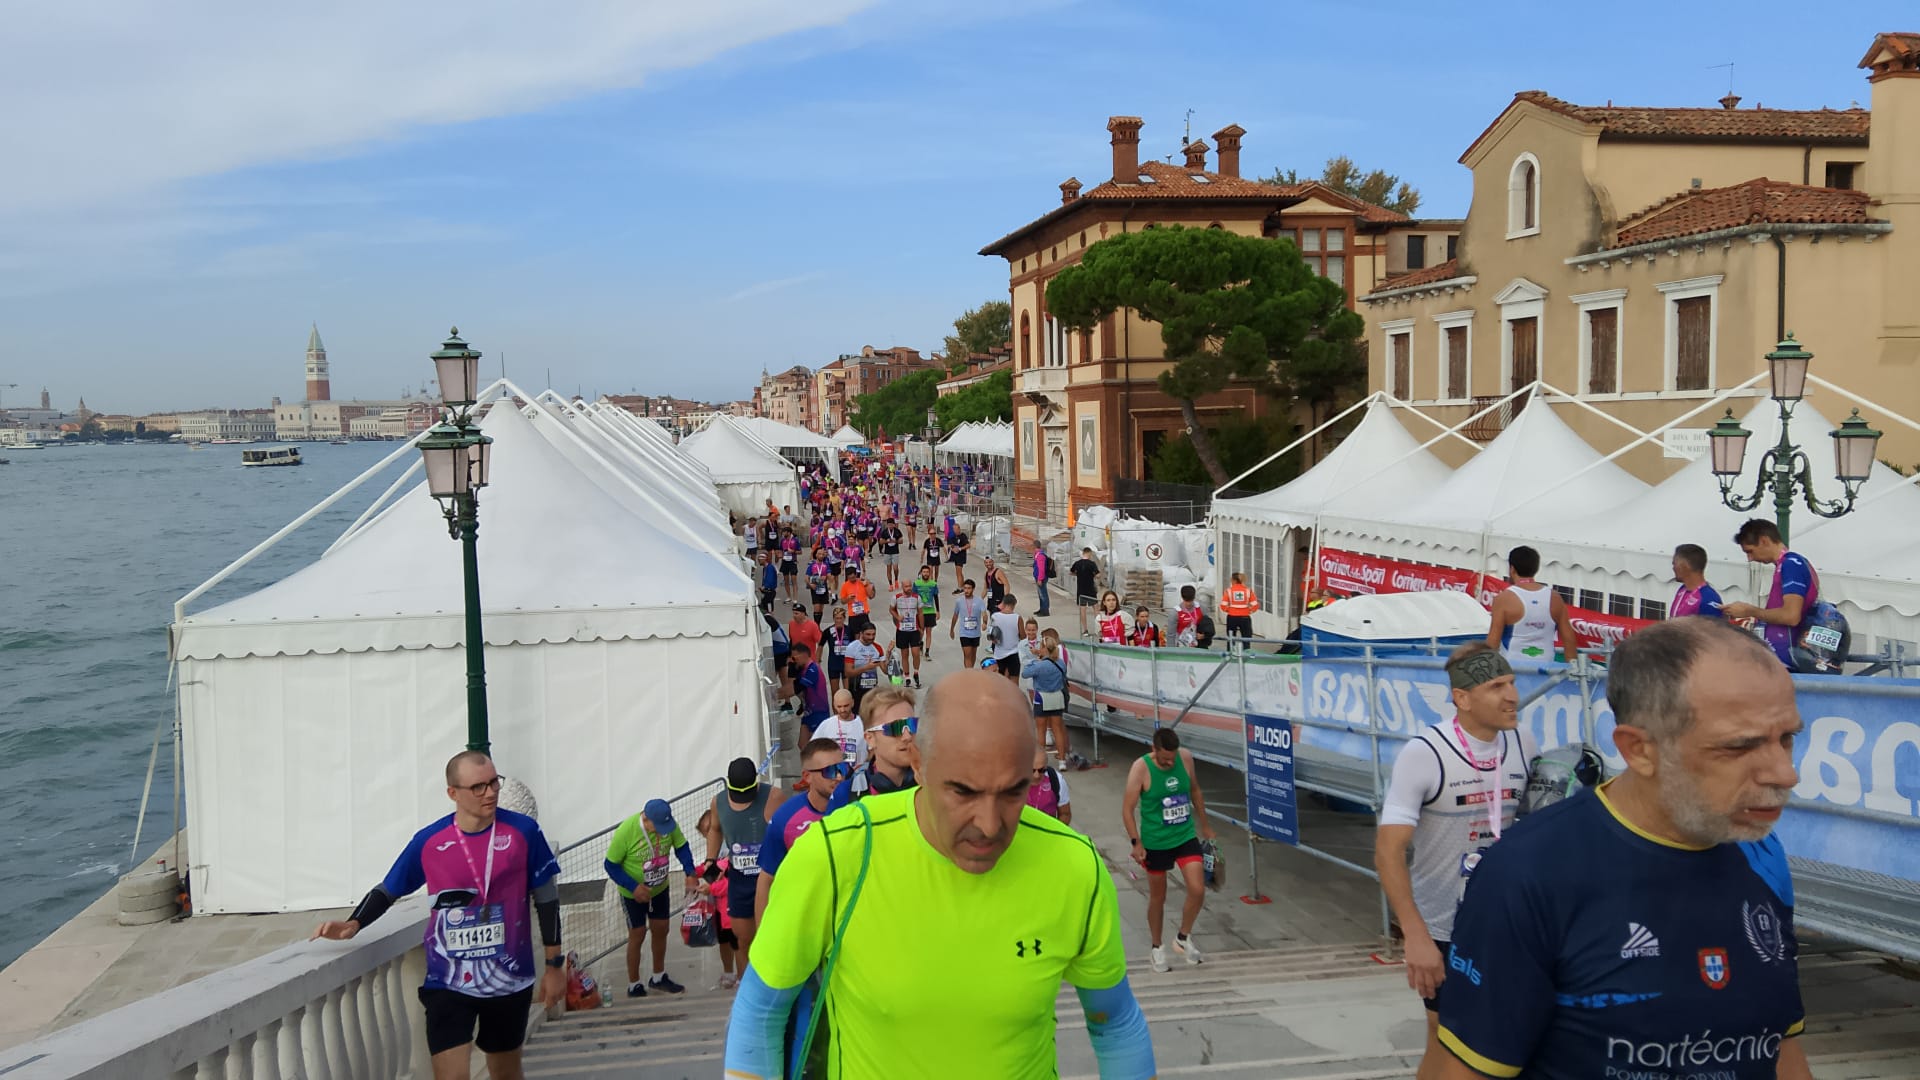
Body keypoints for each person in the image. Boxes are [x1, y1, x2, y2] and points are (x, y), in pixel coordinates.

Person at [724, 671, 1155, 1079]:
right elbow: (761, 1009)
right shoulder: (836, 855)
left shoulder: (1074, 866)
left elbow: (1115, 1021)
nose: (989, 824)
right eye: (962, 791)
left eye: (1013, 792)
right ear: (919, 765)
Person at [1433, 617, 1810, 1080]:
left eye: (1787, 738)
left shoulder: (1763, 854)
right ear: (1639, 750)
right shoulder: (1529, 872)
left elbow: (1783, 1053)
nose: (1784, 774)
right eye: (1739, 747)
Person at [312, 752, 564, 1080]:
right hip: (449, 979)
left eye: (493, 782)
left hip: (508, 977)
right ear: (452, 793)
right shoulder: (430, 841)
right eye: (477, 787)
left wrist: (555, 967)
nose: (490, 792)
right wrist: (354, 922)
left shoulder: (523, 832)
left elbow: (547, 899)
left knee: (505, 1073)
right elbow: (389, 889)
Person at [1373, 643, 1534, 1079]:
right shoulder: (1425, 752)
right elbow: (1387, 851)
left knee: (1510, 1037)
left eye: (1513, 683)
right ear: (1462, 698)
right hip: (1445, 927)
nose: (1512, 696)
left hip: (1508, 922)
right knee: (1446, 1039)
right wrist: (1415, 935)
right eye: (1496, 686)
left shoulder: (1523, 742)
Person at [1122, 727, 1214, 972]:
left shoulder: (1185, 758)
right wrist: (1136, 842)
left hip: (1184, 835)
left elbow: (1194, 790)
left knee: (1197, 888)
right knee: (1158, 897)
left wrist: (1205, 825)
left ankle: (1182, 938)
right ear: (1154, 750)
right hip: (1156, 842)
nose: (1169, 762)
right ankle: (1156, 947)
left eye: (1172, 758)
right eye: (1164, 759)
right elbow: (1127, 809)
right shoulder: (1140, 769)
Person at [603, 797, 699, 997]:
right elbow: (610, 865)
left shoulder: (668, 825)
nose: (663, 831)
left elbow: (681, 847)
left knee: (661, 929)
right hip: (633, 894)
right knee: (637, 933)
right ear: (645, 819)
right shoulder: (627, 831)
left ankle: (658, 976)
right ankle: (634, 984)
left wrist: (690, 873)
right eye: (658, 827)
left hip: (659, 888)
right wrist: (633, 886)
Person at [754, 738, 854, 923]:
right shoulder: (785, 818)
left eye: (843, 768)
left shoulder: (858, 807)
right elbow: (767, 879)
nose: (839, 777)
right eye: (830, 771)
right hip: (807, 922)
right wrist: (762, 937)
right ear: (807, 776)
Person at [702, 758, 771, 972]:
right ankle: (745, 988)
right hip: (739, 880)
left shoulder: (774, 796)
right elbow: (714, 829)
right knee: (743, 940)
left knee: (768, 938)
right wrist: (710, 860)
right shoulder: (718, 802)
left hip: (767, 878)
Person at [1722, 518, 1819, 670]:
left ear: (1764, 541)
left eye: (1750, 551)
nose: (1750, 559)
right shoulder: (1786, 564)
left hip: (1787, 662)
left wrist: (1750, 610)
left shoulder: (1791, 564)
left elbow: (1791, 616)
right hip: (1781, 658)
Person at [827, 683, 919, 808]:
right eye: (895, 727)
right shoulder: (846, 795)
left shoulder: (937, 786)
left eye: (912, 724)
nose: (907, 736)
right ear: (870, 739)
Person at [1485, 545, 1578, 667]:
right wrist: (1573, 671)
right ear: (1536, 569)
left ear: (1512, 569)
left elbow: (1493, 642)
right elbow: (1569, 639)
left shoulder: (1504, 599)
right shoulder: (1555, 598)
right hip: (1546, 672)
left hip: (1513, 671)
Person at [1027, 628, 1072, 765]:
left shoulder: (1041, 665)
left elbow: (1025, 673)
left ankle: (1041, 761)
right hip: (1058, 694)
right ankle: (1062, 759)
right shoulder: (1061, 660)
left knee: (1041, 730)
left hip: (1042, 697)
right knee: (1058, 727)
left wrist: (1036, 660)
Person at [813, 689, 869, 770]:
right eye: (839, 706)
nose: (842, 710)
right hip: (833, 775)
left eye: (846, 706)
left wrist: (864, 767)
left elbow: (873, 750)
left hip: (857, 775)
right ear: (834, 705)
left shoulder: (864, 724)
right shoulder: (826, 724)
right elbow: (812, 749)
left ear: (852, 703)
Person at [1669, 543, 1726, 620]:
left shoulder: (1708, 599)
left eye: (1674, 564)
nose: (1673, 568)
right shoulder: (1682, 589)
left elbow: (1714, 631)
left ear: (1684, 566)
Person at [790, 642, 831, 741]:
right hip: (808, 711)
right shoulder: (803, 669)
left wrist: (774, 695)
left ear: (804, 655)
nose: (793, 661)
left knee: (816, 744)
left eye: (794, 658)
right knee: (802, 744)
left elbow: (793, 690)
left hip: (818, 712)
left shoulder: (812, 670)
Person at [842, 622, 885, 714]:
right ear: (861, 634)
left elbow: (885, 671)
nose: (871, 637)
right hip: (856, 690)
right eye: (868, 634)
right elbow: (848, 672)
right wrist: (866, 668)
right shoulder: (852, 648)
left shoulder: (878, 648)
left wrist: (889, 655)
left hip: (872, 690)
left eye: (873, 634)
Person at [891, 577, 925, 688]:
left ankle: (916, 673)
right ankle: (907, 677)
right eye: (906, 586)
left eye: (910, 586)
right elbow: (891, 609)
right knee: (904, 654)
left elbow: (920, 613)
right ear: (902, 587)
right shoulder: (896, 597)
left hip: (914, 630)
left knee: (916, 653)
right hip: (902, 630)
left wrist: (922, 628)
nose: (909, 588)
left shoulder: (917, 597)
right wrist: (897, 617)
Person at [1027, 744, 1073, 825]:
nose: (1036, 775)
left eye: (1042, 770)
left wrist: (1055, 833)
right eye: (1032, 770)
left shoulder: (1056, 779)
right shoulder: (1007, 781)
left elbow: (1065, 813)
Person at [951, 578, 987, 670]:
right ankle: (968, 673)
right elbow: (955, 615)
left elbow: (984, 613)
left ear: (973, 589)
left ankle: (970, 670)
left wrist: (985, 622)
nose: (966, 590)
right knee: (967, 654)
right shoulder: (959, 601)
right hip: (964, 633)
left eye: (969, 588)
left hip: (975, 633)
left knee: (973, 654)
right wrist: (952, 629)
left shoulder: (979, 601)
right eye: (965, 588)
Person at [988, 593, 1023, 681]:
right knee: (1014, 681)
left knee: (1001, 681)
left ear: (1003, 603)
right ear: (1014, 604)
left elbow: (990, 635)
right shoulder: (1018, 618)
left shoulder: (994, 616)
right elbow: (1023, 636)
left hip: (999, 653)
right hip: (1014, 653)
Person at [1221, 572, 1259, 651]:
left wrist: (1230, 610)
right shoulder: (1248, 591)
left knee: (1231, 637)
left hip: (1232, 617)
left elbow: (1223, 605)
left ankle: (1230, 653)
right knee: (1246, 638)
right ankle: (1246, 653)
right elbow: (1255, 605)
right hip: (1245, 617)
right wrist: (1248, 611)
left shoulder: (1228, 591)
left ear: (1233, 580)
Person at [912, 563, 941, 660]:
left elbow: (936, 597)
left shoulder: (933, 584)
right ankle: (920, 643)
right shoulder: (916, 583)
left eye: (927, 572)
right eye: (924, 572)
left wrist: (938, 611)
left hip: (930, 611)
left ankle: (927, 652)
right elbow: (913, 597)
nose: (925, 573)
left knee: (929, 632)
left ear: (929, 573)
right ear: (921, 573)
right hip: (920, 612)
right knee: (921, 631)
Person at [1070, 547, 1102, 636]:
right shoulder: (1092, 564)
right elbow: (1098, 574)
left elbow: (1071, 572)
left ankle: (1085, 630)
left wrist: (1078, 574)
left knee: (1082, 610)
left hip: (1081, 590)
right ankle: (1098, 629)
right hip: (1091, 589)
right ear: (1089, 553)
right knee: (1096, 608)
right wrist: (1094, 576)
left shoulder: (1077, 563)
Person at [839, 567, 876, 636]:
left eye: (853, 577)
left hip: (863, 613)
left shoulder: (862, 582)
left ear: (856, 575)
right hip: (853, 615)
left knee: (866, 635)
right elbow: (842, 601)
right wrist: (848, 598)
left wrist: (867, 585)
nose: (852, 579)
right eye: (850, 578)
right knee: (855, 636)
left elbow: (871, 596)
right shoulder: (845, 586)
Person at [823, 606, 852, 695]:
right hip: (833, 665)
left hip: (847, 665)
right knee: (835, 693)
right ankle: (836, 709)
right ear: (833, 618)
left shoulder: (850, 630)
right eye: (836, 618)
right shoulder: (828, 631)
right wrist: (817, 662)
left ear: (844, 618)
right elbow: (820, 646)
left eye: (840, 618)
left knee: (848, 693)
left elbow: (855, 646)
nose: (838, 620)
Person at [806, 549, 833, 621]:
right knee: (817, 607)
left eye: (822, 554)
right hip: (815, 589)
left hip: (823, 588)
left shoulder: (826, 565)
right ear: (816, 555)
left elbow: (829, 576)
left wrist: (828, 579)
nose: (821, 556)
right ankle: (816, 625)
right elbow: (806, 578)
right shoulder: (812, 565)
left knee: (821, 608)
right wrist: (811, 585)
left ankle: (818, 625)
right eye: (819, 554)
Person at [878, 517, 904, 587]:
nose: (890, 526)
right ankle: (890, 584)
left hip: (895, 551)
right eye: (889, 524)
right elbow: (880, 542)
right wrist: (887, 541)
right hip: (887, 552)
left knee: (895, 568)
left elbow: (901, 541)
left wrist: (896, 541)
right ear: (887, 525)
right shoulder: (885, 532)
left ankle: (896, 579)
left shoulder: (897, 531)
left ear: (894, 524)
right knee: (888, 568)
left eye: (891, 524)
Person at [779, 526, 801, 602]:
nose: (783, 533)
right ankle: (789, 597)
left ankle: (795, 598)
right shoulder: (782, 540)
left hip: (792, 562)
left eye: (784, 532)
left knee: (794, 580)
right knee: (786, 580)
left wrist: (793, 551)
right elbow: (781, 550)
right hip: (785, 561)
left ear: (789, 532)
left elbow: (800, 552)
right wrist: (781, 556)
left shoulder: (795, 540)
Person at [1033, 544, 1055, 617]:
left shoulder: (1040, 556)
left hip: (1041, 578)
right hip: (1039, 577)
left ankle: (1045, 611)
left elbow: (1041, 569)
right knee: (1040, 594)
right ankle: (1042, 609)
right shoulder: (1038, 555)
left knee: (1043, 594)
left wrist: (1039, 579)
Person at [756, 551, 779, 615]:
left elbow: (770, 579)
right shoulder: (765, 568)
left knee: (769, 611)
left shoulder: (770, 568)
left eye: (760, 560)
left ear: (764, 559)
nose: (758, 561)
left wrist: (764, 586)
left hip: (769, 592)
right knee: (764, 608)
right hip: (766, 592)